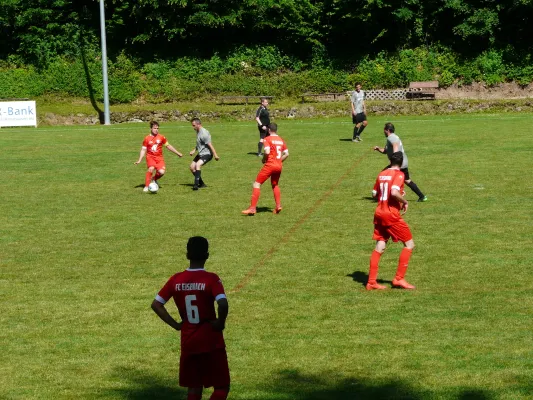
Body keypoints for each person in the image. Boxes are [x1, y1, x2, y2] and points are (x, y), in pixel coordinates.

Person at [151, 236, 230, 400]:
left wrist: (176, 325)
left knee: (194, 388)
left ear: (187, 254)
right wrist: (220, 323)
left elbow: (156, 304)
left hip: (188, 340)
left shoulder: (176, 279)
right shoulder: (211, 278)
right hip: (210, 340)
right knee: (221, 386)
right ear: (207, 255)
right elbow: (222, 304)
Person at [367, 152, 416, 290]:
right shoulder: (399, 174)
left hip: (379, 213)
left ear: (390, 160)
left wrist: (398, 194)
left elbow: (374, 194)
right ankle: (399, 279)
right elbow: (394, 193)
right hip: (391, 215)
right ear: (402, 163)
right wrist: (404, 201)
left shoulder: (382, 173)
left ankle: (371, 282)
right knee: (409, 244)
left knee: (380, 246)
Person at [242, 123, 289, 215]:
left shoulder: (267, 139)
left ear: (268, 130)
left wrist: (264, 159)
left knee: (257, 184)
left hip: (270, 165)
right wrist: (279, 161)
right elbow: (287, 154)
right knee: (275, 184)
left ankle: (252, 209)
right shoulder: (281, 140)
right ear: (276, 130)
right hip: (279, 166)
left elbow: (267, 151)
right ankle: (278, 205)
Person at [373, 122, 428, 202]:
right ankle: (422, 196)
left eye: (384, 130)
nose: (383, 131)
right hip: (402, 162)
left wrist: (394, 158)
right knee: (407, 180)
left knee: (384, 175)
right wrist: (378, 149)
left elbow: (395, 145)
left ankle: (381, 195)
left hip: (398, 163)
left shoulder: (391, 137)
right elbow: (385, 151)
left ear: (387, 130)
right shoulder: (392, 137)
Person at [134, 120, 183, 192]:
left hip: (159, 158)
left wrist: (178, 153)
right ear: (151, 129)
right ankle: (146, 186)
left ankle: (154, 179)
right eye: (154, 128)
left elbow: (168, 146)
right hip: (150, 157)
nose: (156, 130)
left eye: (157, 128)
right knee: (151, 168)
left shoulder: (162, 137)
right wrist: (139, 160)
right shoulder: (146, 138)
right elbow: (143, 150)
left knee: (161, 172)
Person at [189, 118, 220, 191]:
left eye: (194, 125)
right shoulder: (198, 130)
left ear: (199, 125)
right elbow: (200, 143)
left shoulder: (204, 133)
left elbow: (210, 145)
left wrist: (215, 155)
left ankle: (195, 185)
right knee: (192, 167)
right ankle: (202, 184)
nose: (193, 127)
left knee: (197, 165)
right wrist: (194, 150)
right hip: (201, 153)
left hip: (207, 154)